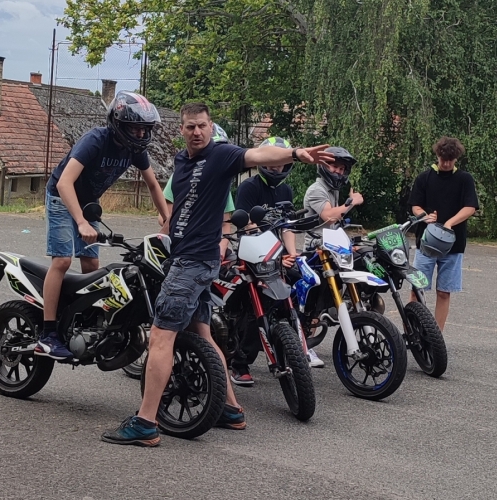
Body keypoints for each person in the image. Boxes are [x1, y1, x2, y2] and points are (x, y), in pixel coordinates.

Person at [101, 102, 334, 447]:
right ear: (182, 130)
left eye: (202, 126)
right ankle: (229, 408)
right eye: (190, 126)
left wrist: (296, 154)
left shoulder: (222, 155)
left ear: (211, 127)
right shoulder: (182, 161)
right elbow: (177, 209)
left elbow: (258, 155)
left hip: (194, 262)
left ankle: (145, 423)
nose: (196, 132)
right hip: (187, 257)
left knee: (160, 336)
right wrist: (166, 232)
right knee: (202, 333)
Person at [35, 91, 170, 360]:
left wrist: (168, 220)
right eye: (136, 128)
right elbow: (64, 183)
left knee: (91, 265)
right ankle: (47, 334)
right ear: (118, 124)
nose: (141, 134)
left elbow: (154, 185)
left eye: (145, 129)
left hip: (88, 202)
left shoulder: (135, 150)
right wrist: (81, 222)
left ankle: (84, 322)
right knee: (62, 260)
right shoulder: (95, 140)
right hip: (62, 197)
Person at [230, 136, 298, 386]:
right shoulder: (249, 187)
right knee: (255, 307)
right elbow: (246, 224)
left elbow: (287, 225)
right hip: (253, 253)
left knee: (297, 285)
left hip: (277, 254)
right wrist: (273, 255)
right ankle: (240, 363)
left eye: (279, 162)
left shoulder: (286, 191)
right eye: (271, 161)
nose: (275, 166)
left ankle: (294, 347)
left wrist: (292, 254)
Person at [408, 136, 479, 332]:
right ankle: (412, 332)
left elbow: (470, 207)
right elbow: (415, 205)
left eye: (450, 160)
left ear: (456, 158)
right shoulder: (424, 178)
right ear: (437, 155)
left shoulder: (464, 179)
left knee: (444, 292)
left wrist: (449, 223)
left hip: (453, 246)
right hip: (426, 245)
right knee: (416, 289)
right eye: (443, 159)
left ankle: (436, 337)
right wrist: (424, 216)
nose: (446, 164)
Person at [302, 146, 364, 368]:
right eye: (334, 167)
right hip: (316, 252)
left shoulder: (332, 190)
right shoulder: (317, 189)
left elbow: (335, 225)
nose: (338, 171)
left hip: (332, 249)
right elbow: (329, 216)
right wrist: (351, 202)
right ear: (323, 166)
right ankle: (306, 347)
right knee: (314, 303)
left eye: (342, 169)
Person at [159, 124, 236, 259]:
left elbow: (225, 224)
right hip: (180, 247)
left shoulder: (221, 185)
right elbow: (164, 216)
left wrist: (222, 247)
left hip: (209, 250)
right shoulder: (180, 177)